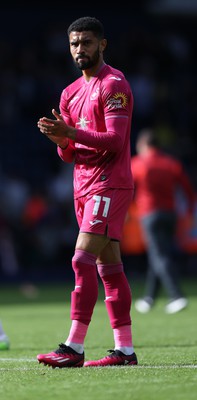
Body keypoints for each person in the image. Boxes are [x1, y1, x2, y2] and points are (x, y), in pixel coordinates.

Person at [36, 16, 138, 368]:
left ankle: (74, 346)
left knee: (82, 260)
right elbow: (69, 155)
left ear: (102, 44)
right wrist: (61, 140)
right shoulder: (69, 93)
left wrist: (71, 134)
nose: (81, 49)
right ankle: (124, 350)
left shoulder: (115, 84)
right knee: (109, 268)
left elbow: (115, 141)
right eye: (75, 44)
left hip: (110, 182)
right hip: (83, 186)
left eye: (87, 43)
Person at [130, 128, 196, 314]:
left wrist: (125, 211)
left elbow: (127, 190)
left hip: (149, 214)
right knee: (159, 253)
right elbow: (188, 190)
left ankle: (176, 296)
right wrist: (190, 212)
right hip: (170, 214)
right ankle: (149, 298)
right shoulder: (171, 163)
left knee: (159, 254)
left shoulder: (137, 164)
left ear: (142, 145)